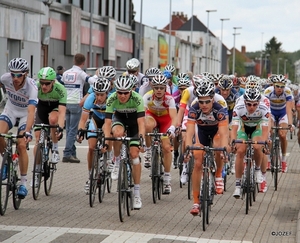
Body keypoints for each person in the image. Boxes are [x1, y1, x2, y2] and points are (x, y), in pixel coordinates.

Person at [184, 79, 229, 216]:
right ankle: (196, 202)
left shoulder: (219, 108)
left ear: (212, 99)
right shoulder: (194, 108)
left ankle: (218, 175)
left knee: (218, 146)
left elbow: (223, 134)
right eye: (201, 101)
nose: (204, 105)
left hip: (216, 132)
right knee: (198, 161)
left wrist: (224, 150)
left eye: (207, 101)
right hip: (202, 132)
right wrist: (187, 149)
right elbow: (190, 131)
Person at [103, 75, 145, 209]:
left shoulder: (137, 99)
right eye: (119, 92)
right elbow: (108, 123)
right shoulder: (112, 98)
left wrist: (142, 140)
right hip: (120, 120)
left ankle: (137, 194)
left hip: (134, 124)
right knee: (117, 134)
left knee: (134, 156)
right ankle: (116, 160)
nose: (122, 95)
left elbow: (141, 122)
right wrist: (105, 140)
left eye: (125, 93)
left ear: (131, 91)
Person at [0, 58, 38, 198]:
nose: (15, 78)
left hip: (25, 114)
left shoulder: (32, 87)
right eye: (13, 74)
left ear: (25, 74)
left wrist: (27, 131)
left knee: (21, 144)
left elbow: (31, 112)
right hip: (10, 110)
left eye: (18, 75)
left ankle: (23, 183)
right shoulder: (5, 78)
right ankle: (6, 161)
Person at [231, 87, 270, 197]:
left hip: (257, 128)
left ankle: (257, 169)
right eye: (249, 104)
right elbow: (234, 129)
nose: (251, 107)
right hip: (242, 127)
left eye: (254, 104)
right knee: (240, 151)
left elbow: (265, 131)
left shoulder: (264, 108)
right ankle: (238, 186)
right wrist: (233, 142)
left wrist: (264, 142)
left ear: (258, 102)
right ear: (244, 102)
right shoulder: (238, 108)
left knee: (258, 146)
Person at [143, 74, 177, 194]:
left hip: (165, 121)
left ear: (165, 88)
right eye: (156, 87)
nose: (158, 90)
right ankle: (148, 151)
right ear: (152, 87)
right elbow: (141, 117)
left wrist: (172, 129)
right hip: (152, 118)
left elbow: (174, 117)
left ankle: (167, 179)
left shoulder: (169, 99)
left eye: (161, 88)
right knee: (146, 125)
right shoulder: (147, 97)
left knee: (167, 148)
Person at [77, 78, 112, 194]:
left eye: (102, 95)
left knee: (108, 131)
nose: (99, 97)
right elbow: (83, 119)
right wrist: (80, 131)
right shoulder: (91, 98)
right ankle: (90, 176)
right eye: (97, 94)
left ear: (107, 93)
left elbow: (112, 122)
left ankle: (110, 157)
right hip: (96, 119)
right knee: (91, 148)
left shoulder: (112, 99)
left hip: (108, 120)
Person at [62, 53, 95, 163]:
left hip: (66, 103)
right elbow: (92, 81)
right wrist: (96, 76)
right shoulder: (81, 73)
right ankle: (67, 153)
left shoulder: (66, 73)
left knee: (68, 130)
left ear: (73, 61)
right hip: (77, 103)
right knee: (73, 130)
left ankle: (72, 153)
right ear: (83, 62)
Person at [34, 67, 66, 165]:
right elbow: (30, 107)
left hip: (54, 107)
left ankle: (55, 149)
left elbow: (62, 112)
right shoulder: (35, 86)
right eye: (42, 82)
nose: (44, 86)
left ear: (53, 82)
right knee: (38, 139)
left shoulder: (60, 89)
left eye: (47, 83)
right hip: (42, 107)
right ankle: (37, 171)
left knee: (52, 120)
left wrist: (60, 127)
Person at [264, 74, 294, 172]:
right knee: (269, 133)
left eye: (282, 86)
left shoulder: (288, 92)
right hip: (271, 113)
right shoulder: (268, 91)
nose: (279, 88)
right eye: (277, 86)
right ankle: (268, 159)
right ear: (273, 85)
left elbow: (289, 109)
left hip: (282, 113)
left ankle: (284, 160)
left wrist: (290, 124)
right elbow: (265, 110)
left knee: (282, 134)